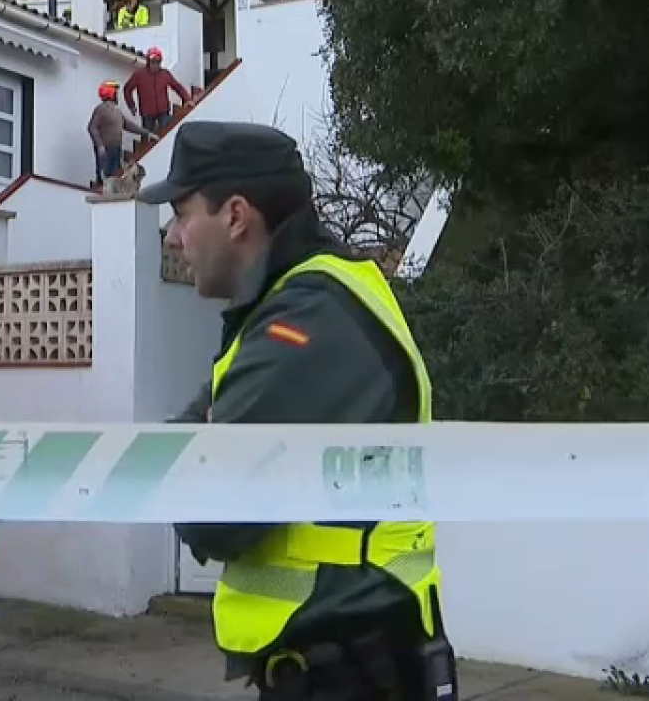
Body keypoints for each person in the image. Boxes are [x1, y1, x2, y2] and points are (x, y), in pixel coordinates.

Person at [139, 122, 455, 701]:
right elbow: (187, 443)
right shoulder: (295, 303)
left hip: (354, 672)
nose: (173, 237)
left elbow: (214, 515)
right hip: (338, 663)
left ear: (235, 215)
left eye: (183, 214)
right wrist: (204, 438)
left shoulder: (307, 318)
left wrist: (204, 449)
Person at [87, 80, 146, 187]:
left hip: (117, 148)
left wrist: (147, 133)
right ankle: (100, 191)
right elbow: (92, 127)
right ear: (111, 93)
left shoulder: (116, 111)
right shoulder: (101, 109)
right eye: (116, 93)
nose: (117, 96)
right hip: (106, 148)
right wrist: (99, 145)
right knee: (104, 176)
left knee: (115, 176)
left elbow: (127, 124)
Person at [124, 47, 193, 135]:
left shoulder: (165, 74)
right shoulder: (139, 75)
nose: (155, 65)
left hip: (163, 112)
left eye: (157, 62)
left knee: (166, 134)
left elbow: (178, 87)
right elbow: (127, 89)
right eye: (152, 62)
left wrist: (187, 99)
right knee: (147, 138)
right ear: (148, 62)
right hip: (147, 113)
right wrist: (131, 106)